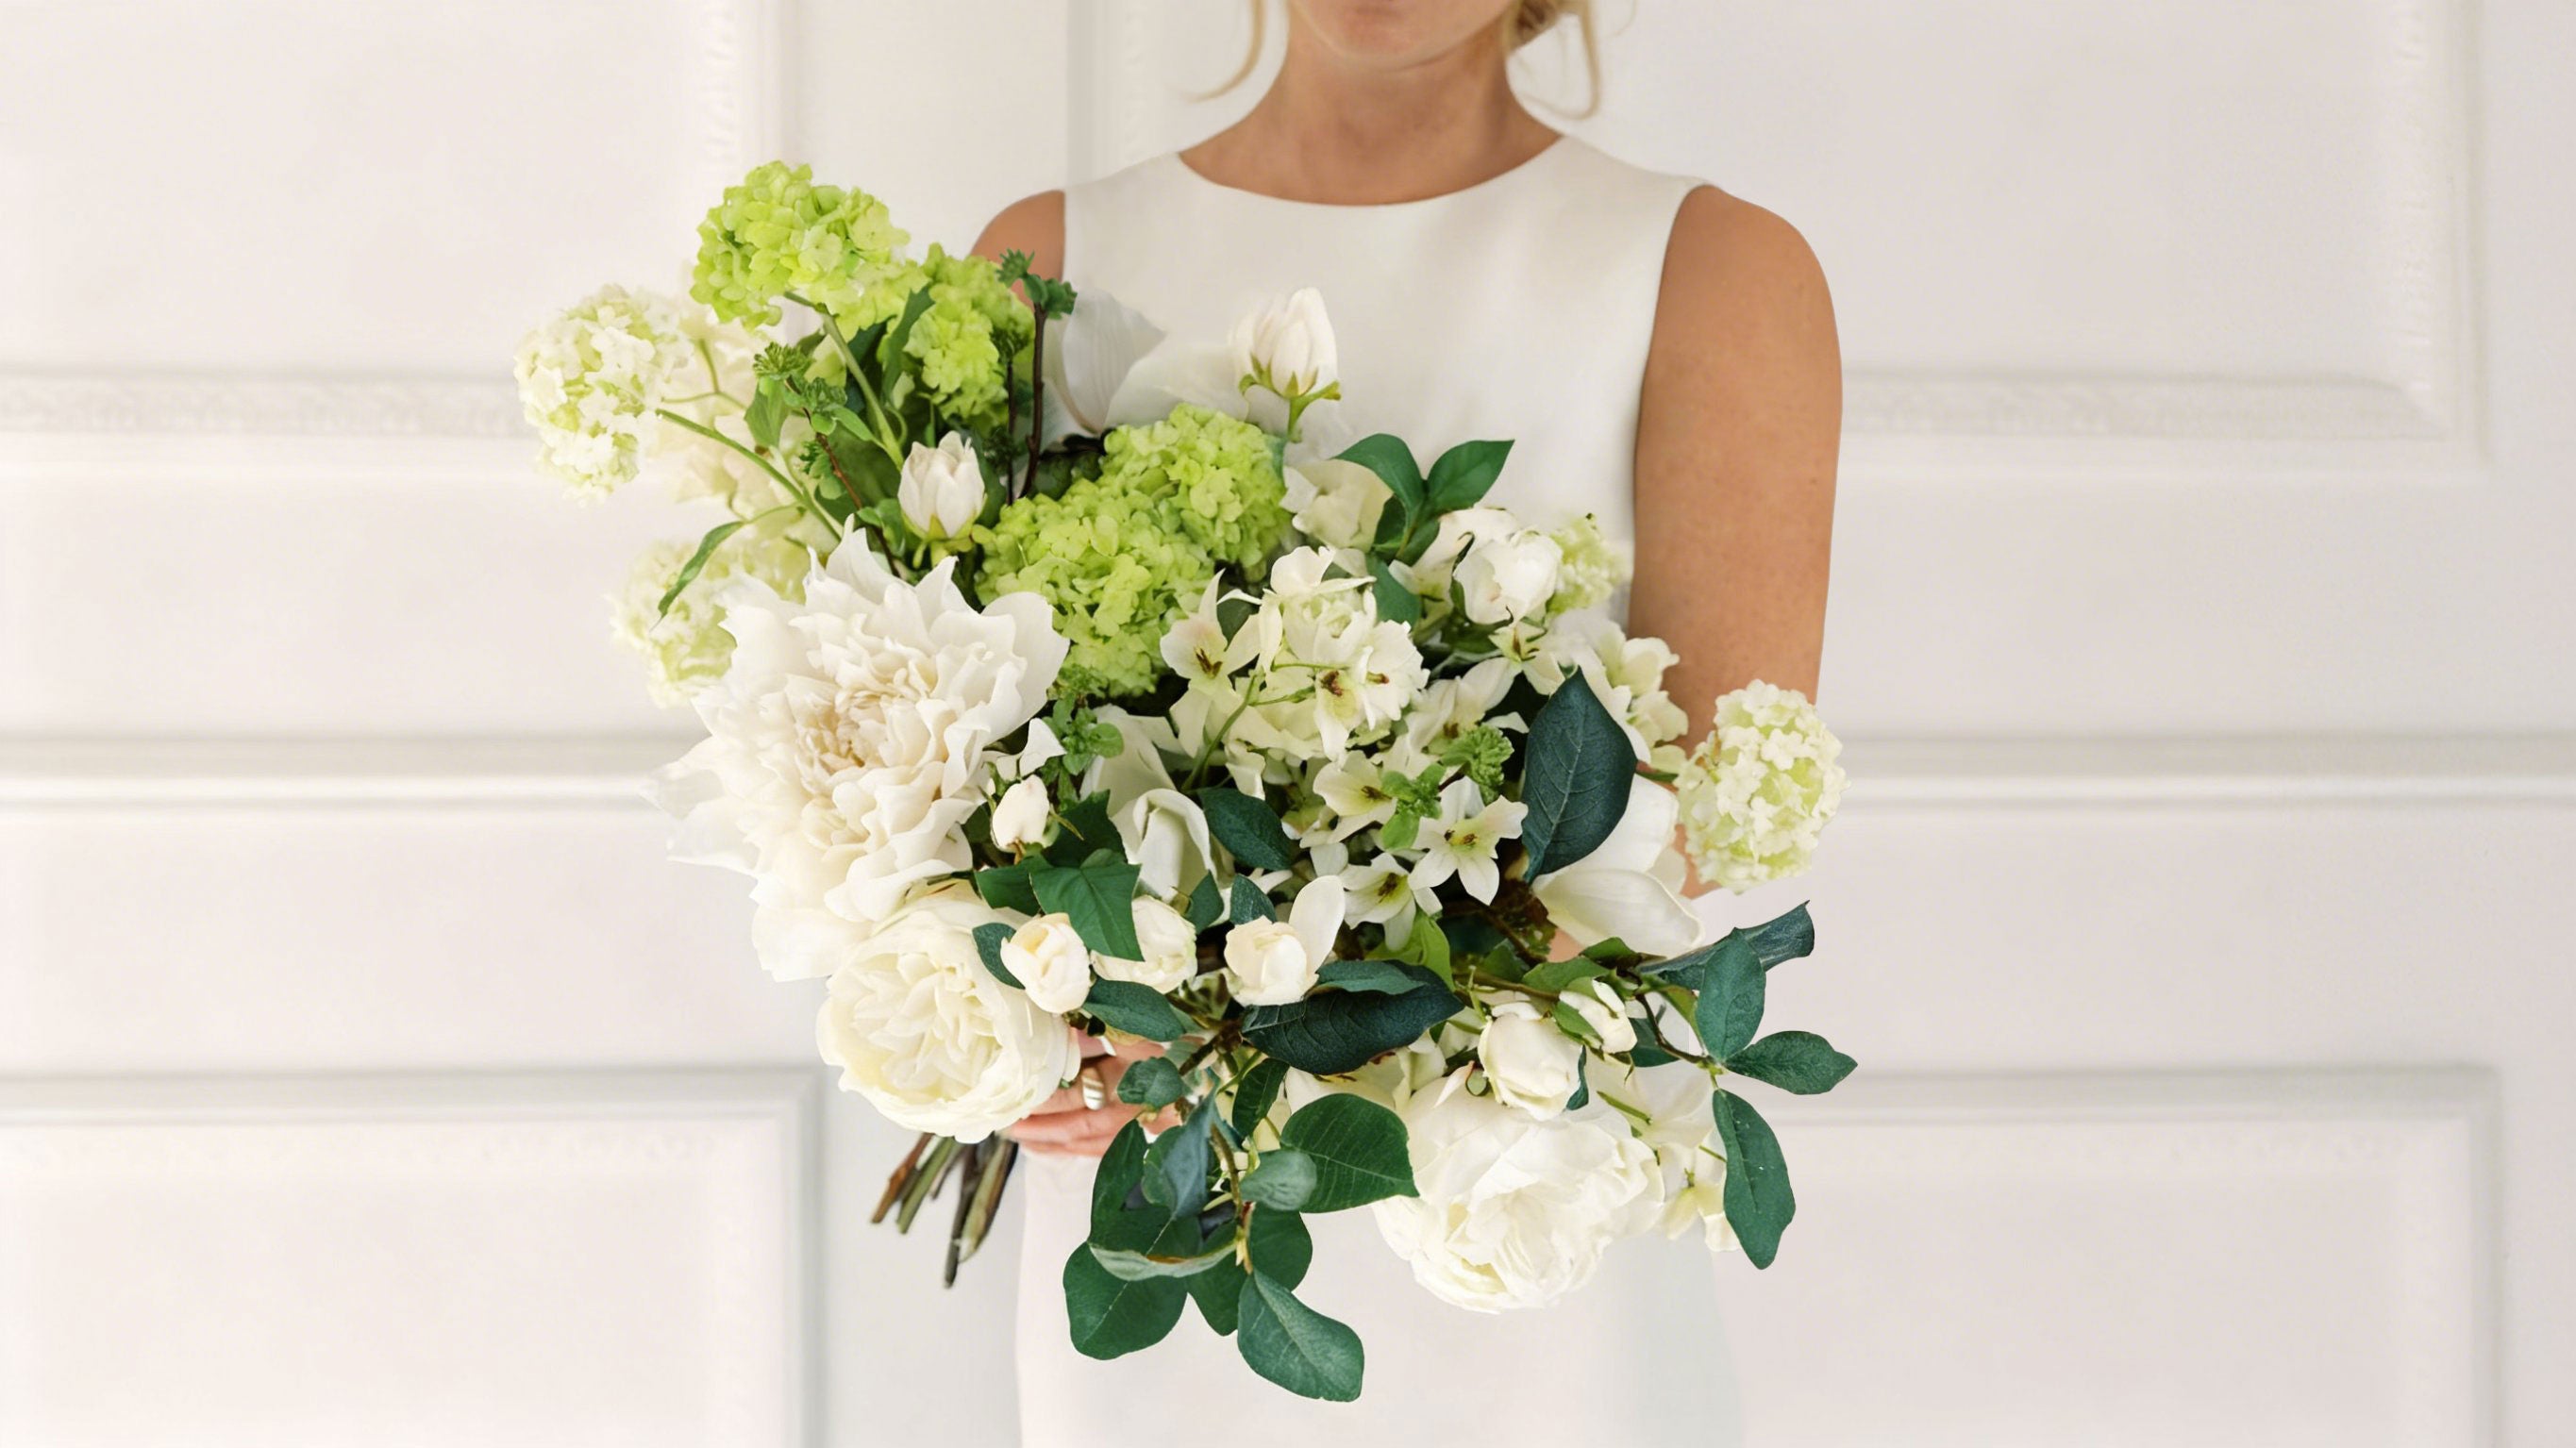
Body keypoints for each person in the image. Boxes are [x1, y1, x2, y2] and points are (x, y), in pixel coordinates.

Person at [975, 1, 1839, 1440]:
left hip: (1512, 1179)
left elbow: (1715, 797)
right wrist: (1008, 1018)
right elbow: (952, 741)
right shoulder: (1048, 260)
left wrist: (1272, 1003)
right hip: (1161, 1169)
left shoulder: (1709, 268)